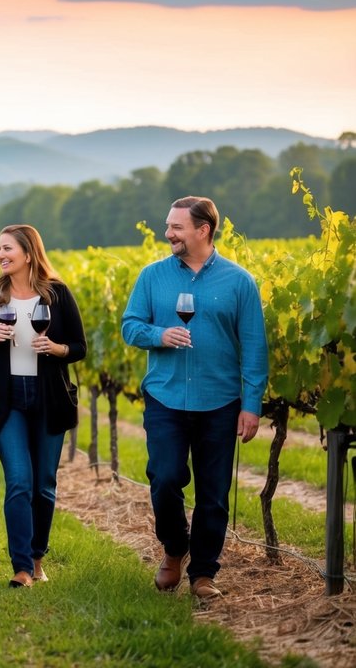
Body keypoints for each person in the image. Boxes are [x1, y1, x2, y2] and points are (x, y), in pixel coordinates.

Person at [122, 196, 267, 599]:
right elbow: (130, 326)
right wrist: (159, 335)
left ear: (203, 230)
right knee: (165, 478)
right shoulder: (153, 277)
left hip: (219, 402)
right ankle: (174, 548)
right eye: (168, 226)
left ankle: (204, 573)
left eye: (177, 227)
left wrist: (251, 405)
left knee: (213, 492)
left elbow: (254, 348)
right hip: (165, 397)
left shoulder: (239, 282)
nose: (168, 233)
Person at [0, 224, 86, 588]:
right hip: (5, 400)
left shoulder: (57, 295)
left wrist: (57, 349)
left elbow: (79, 347)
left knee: (44, 485)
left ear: (29, 253)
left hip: (49, 397)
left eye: (8, 249)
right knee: (19, 480)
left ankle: (36, 558)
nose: (0, 255)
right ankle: (20, 567)